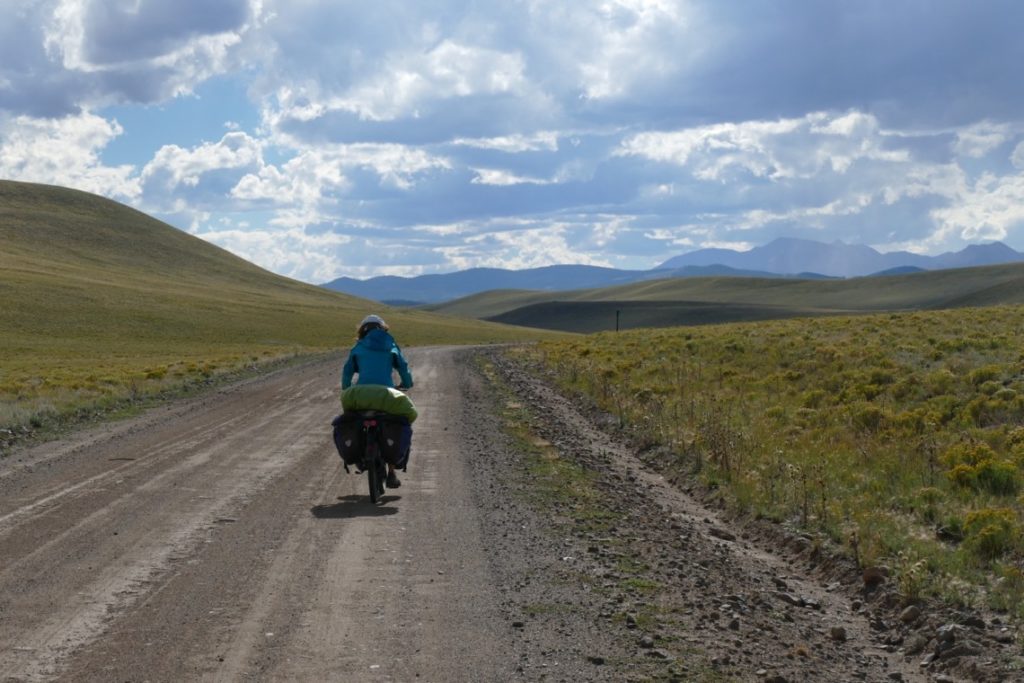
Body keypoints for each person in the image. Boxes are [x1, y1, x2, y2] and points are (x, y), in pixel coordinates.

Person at [341, 314, 414, 488]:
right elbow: (403, 368)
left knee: (352, 418)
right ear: (383, 329)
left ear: (362, 331)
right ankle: (392, 472)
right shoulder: (391, 346)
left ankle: (358, 454)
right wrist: (407, 383)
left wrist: (347, 387)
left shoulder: (358, 347)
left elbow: (347, 372)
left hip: (360, 394)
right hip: (387, 395)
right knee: (402, 421)